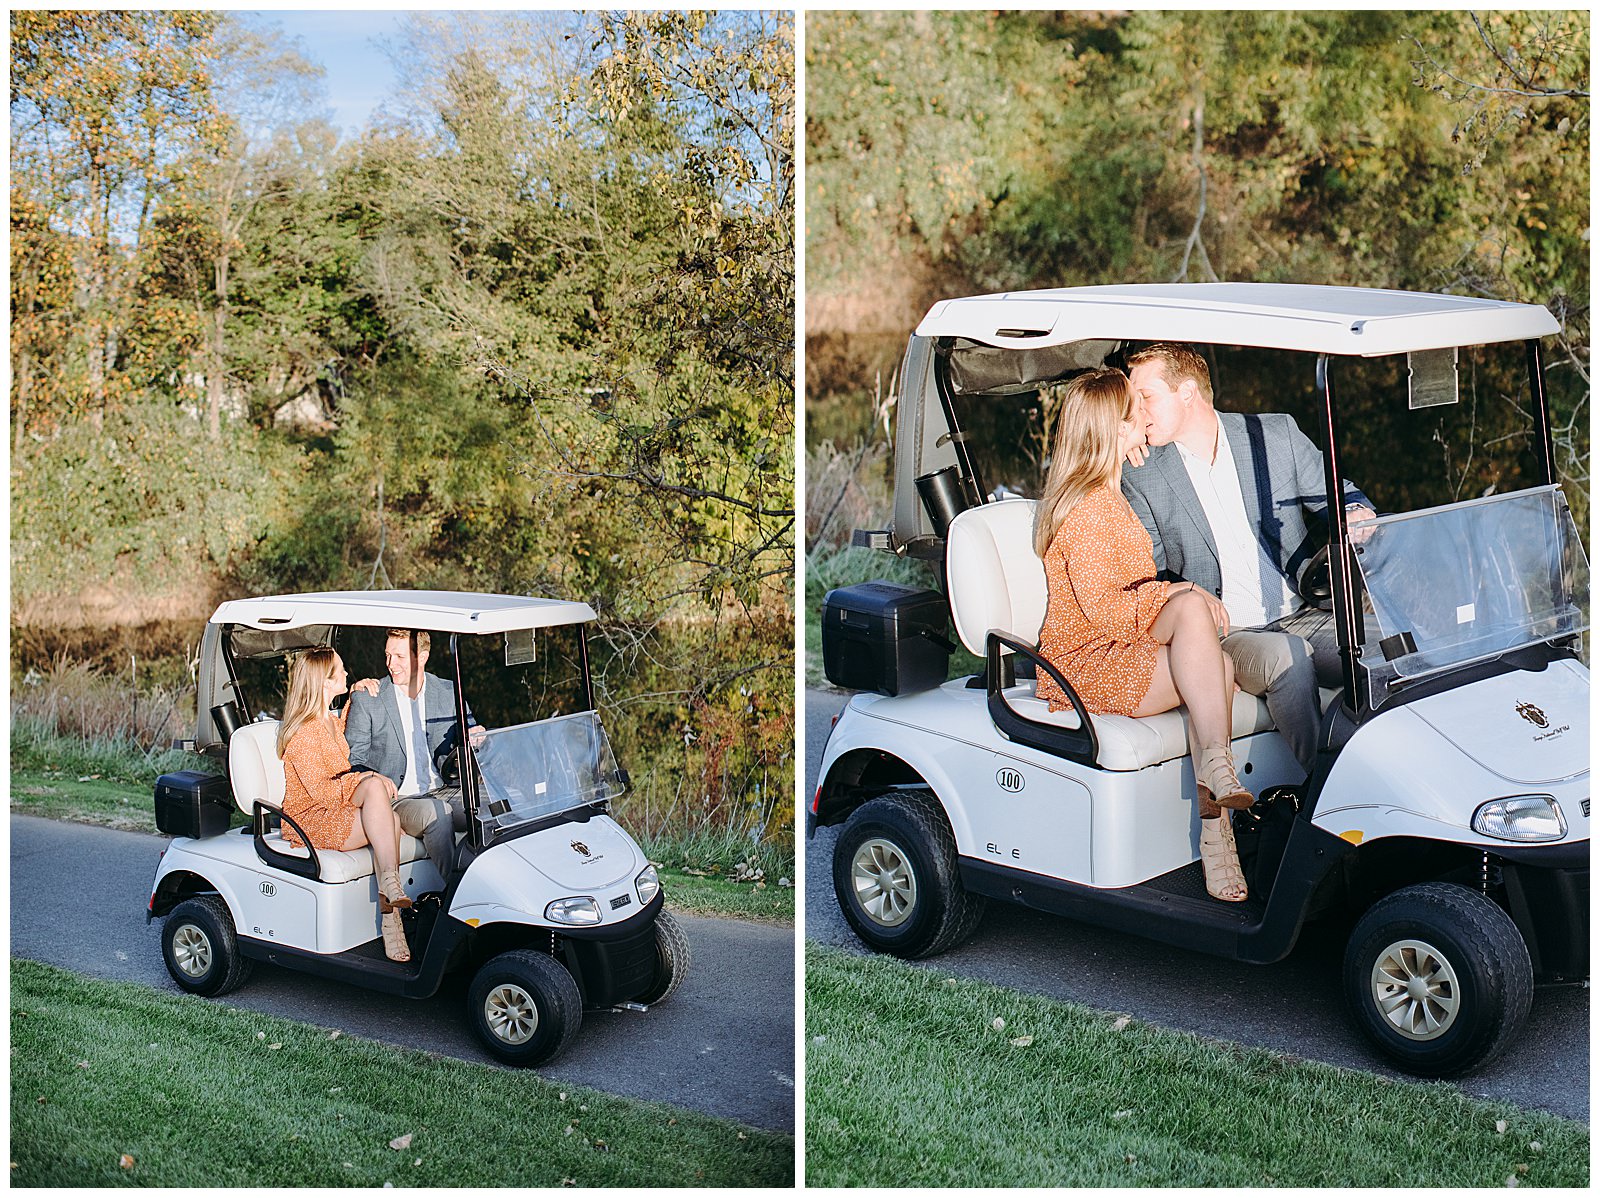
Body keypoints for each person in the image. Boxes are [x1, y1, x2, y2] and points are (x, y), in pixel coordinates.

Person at [1034, 368, 1251, 903]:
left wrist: (1181, 596)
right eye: (1134, 419)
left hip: (1117, 645)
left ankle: (1215, 807)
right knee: (1207, 645)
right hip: (1081, 664)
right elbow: (1106, 613)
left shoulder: (1108, 495)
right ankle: (1217, 826)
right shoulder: (1085, 510)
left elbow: (1134, 592)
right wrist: (1182, 596)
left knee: (1214, 657)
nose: (1145, 423)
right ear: (1112, 430)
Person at [1121, 343, 1375, 776]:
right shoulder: (1140, 474)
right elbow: (1151, 579)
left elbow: (1339, 494)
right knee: (1287, 656)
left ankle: (1397, 770)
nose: (1138, 412)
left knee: (1387, 645)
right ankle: (1325, 791)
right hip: (1225, 632)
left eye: (1145, 397)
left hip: (1303, 610)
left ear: (1186, 393)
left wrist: (1355, 512)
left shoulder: (1274, 436)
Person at [276, 647, 412, 962]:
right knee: (382, 805)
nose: (347, 672)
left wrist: (354, 693)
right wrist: (366, 779)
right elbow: (322, 793)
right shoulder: (303, 735)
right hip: (310, 818)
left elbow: (343, 731)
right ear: (324, 682)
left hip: (336, 807)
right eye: (340, 670)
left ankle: (391, 900)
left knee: (384, 811)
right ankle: (392, 913)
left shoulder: (327, 721)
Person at [344, 629, 479, 878]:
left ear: (423, 657)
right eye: (387, 655)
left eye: (399, 657)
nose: (390, 665)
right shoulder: (369, 698)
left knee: (496, 805)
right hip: (399, 798)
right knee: (437, 812)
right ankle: (453, 897)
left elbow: (469, 742)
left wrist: (477, 740)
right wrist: (375, 780)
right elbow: (354, 762)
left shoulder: (448, 691)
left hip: (447, 789)